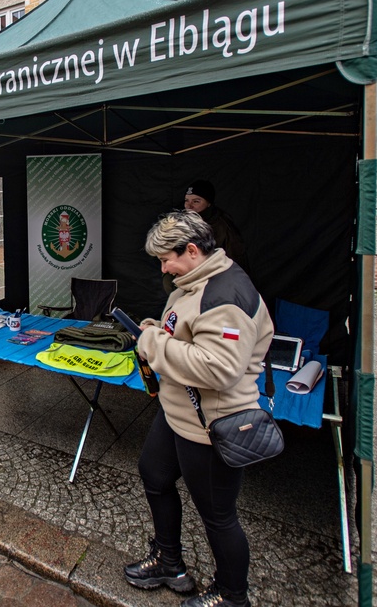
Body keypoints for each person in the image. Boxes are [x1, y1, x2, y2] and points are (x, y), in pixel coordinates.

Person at [124, 210, 274, 607]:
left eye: (166, 258)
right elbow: (187, 334)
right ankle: (168, 562)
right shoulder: (194, 282)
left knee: (218, 516)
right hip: (178, 415)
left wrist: (153, 344)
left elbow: (218, 368)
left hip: (212, 426)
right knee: (154, 474)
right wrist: (158, 328)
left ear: (192, 250)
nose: (164, 267)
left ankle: (231, 596)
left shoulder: (225, 295)